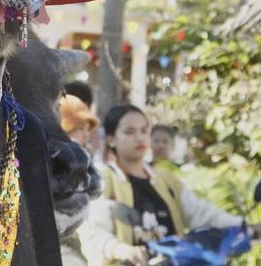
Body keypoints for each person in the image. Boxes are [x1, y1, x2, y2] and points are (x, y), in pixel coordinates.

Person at [78, 104, 261, 265]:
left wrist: (246, 227)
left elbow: (203, 214)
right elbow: (93, 230)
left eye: (144, 131)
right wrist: (119, 249)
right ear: (111, 139)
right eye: (129, 131)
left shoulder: (167, 180)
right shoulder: (103, 179)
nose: (139, 138)